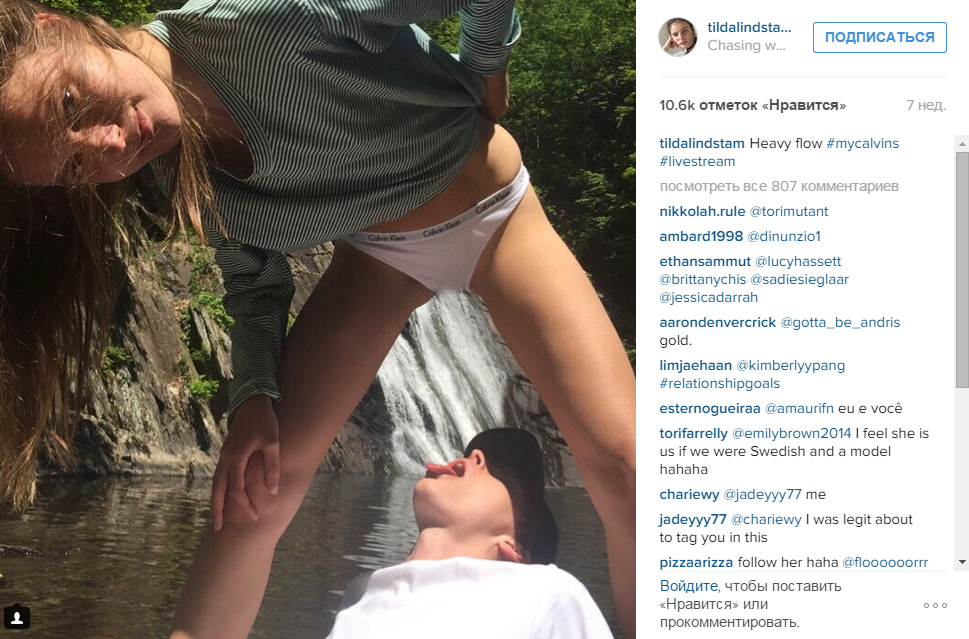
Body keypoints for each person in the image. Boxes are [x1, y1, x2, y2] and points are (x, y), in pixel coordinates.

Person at [0, 1, 636, 637]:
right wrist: (253, 394)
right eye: (75, 166)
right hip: (379, 259)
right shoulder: (162, 160)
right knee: (253, 495)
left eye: (69, 105)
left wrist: (487, 67)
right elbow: (252, 270)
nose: (109, 144)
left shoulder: (257, 16)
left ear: (55, 25)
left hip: (495, 218)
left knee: (629, 471)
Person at [324, 428, 614, 638]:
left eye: (500, 475)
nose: (474, 455)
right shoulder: (361, 594)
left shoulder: (545, 593)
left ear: (515, 549)